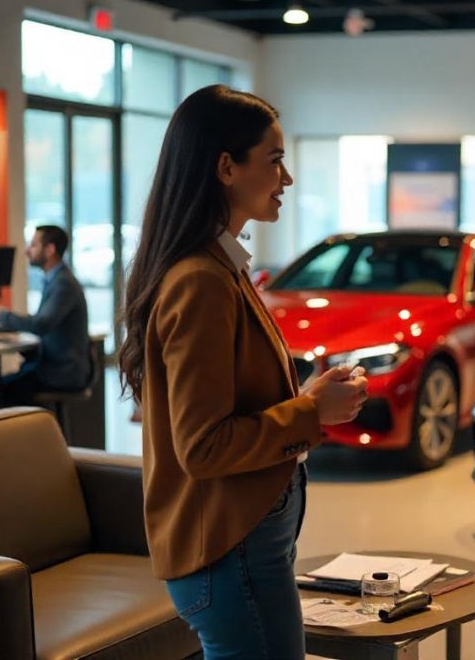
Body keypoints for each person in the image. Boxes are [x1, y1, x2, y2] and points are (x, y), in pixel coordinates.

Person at [117, 85, 368, 659]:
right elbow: (202, 447)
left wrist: (306, 398)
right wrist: (310, 411)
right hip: (230, 551)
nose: (287, 179)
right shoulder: (201, 280)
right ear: (226, 167)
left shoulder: (216, 268)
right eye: (275, 161)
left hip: (243, 545)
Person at [0, 225, 91, 403]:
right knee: (6, 383)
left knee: (0, 389)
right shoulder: (55, 279)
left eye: (33, 245)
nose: (27, 251)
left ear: (50, 250)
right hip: (56, 366)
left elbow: (40, 325)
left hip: (64, 373)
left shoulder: (63, 284)